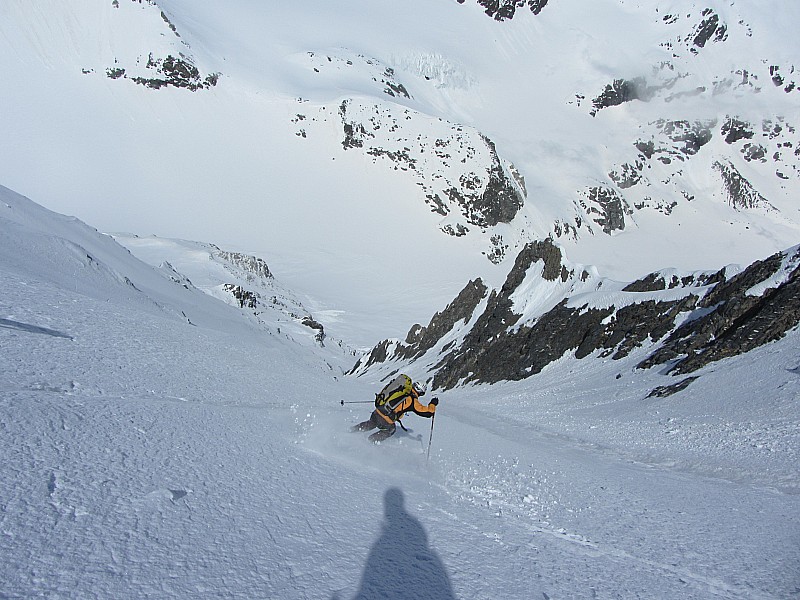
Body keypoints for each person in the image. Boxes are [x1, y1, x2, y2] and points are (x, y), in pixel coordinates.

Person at [351, 377, 438, 443]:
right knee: (391, 429)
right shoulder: (412, 400)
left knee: (371, 423)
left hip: (377, 411)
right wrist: (433, 404)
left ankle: (351, 431)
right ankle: (369, 442)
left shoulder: (402, 389)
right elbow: (427, 412)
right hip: (386, 419)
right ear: (421, 392)